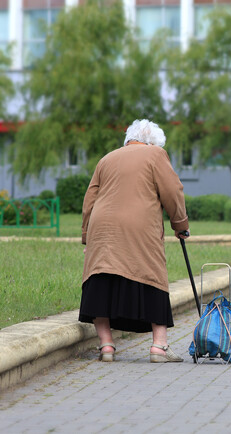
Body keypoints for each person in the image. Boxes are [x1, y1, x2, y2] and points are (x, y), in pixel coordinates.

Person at [79, 119, 190, 363]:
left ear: (129, 138)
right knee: (151, 275)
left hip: (102, 225)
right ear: (153, 141)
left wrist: (87, 233)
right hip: (139, 225)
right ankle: (159, 348)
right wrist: (180, 225)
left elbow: (90, 198)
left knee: (101, 276)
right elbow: (172, 191)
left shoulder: (106, 159)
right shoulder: (155, 154)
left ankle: (106, 346)